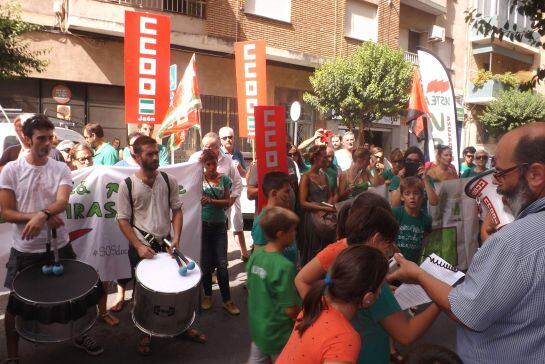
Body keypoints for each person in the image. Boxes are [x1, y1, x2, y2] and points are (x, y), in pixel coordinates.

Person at [388, 123, 545, 363]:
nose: (496, 183)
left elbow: (468, 312)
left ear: (535, 175)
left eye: (501, 173)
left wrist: (419, 276)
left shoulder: (512, 243)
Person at [0, 114, 103, 361]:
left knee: (74, 297)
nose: (47, 144)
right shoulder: (11, 171)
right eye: (41, 138)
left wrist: (43, 214)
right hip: (25, 249)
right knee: (16, 305)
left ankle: (79, 335)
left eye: (51, 138)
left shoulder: (60, 168)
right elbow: (5, 212)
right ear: (26, 138)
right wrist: (40, 216)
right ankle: (13, 357)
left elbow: (61, 202)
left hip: (60, 245)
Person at [295, 192, 441, 364]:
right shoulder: (370, 279)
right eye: (388, 244)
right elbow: (406, 334)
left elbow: (303, 279)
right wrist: (441, 299)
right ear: (376, 238)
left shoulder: (342, 258)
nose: (390, 251)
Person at [116, 136, 204, 353]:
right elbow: (122, 220)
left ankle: (182, 327)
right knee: (144, 292)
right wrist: (137, 245)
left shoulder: (168, 180)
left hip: (165, 244)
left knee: (176, 290)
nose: (155, 157)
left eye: (156, 153)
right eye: (149, 154)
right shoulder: (126, 185)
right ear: (137, 157)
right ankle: (146, 332)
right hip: (141, 247)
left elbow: (177, 210)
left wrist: (176, 238)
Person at [277, 245, 388, 364]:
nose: (380, 292)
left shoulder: (317, 303)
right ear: (368, 298)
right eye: (380, 287)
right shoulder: (345, 339)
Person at [70, 142, 119, 327]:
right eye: (82, 159)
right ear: (73, 161)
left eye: (89, 157)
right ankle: (80, 317)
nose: (87, 162)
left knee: (103, 273)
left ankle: (103, 311)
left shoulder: (103, 174)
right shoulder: (66, 179)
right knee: (78, 278)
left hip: (100, 233)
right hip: (76, 238)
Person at [247, 207, 301, 363]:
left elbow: (251, 287)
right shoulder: (284, 266)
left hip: (259, 328)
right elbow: (290, 309)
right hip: (279, 335)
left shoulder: (256, 255)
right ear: (280, 234)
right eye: (292, 231)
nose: (295, 234)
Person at [199, 149, 240, 315]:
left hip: (219, 225)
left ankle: (227, 300)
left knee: (222, 264)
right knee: (206, 264)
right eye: (207, 164)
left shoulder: (224, 179)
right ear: (203, 164)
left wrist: (210, 201)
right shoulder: (197, 179)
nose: (211, 167)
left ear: (217, 162)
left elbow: (227, 202)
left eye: (213, 163)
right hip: (203, 225)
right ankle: (208, 295)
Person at [298, 145, 336, 265]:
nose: (328, 160)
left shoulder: (324, 175)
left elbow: (330, 195)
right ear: (315, 158)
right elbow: (303, 202)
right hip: (311, 220)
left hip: (325, 216)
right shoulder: (306, 177)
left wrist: (328, 208)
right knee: (313, 251)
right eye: (324, 158)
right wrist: (322, 209)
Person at [251, 171, 298, 264]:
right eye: (287, 191)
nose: (290, 195)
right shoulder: (263, 222)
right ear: (274, 193)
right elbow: (259, 263)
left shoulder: (284, 216)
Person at [218, 126, 249, 261]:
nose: (228, 140)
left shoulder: (237, 152)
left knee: (238, 223)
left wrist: (239, 167)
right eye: (225, 138)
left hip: (234, 194)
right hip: (219, 196)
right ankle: (220, 256)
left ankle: (244, 253)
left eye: (230, 137)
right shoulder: (217, 153)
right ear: (220, 140)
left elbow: (245, 175)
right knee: (219, 226)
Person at [0, 113, 64, 173]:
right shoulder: (10, 151)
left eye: (21, 126)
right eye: (16, 127)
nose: (18, 130)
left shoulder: (54, 153)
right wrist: (18, 162)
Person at [393, 177, 432, 263]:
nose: (412, 197)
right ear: (402, 197)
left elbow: (425, 242)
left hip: (414, 263)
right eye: (407, 193)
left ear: (422, 196)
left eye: (416, 193)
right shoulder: (396, 213)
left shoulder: (427, 219)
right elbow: (386, 235)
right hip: (395, 261)